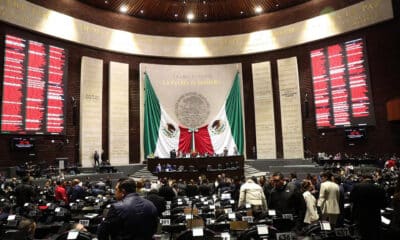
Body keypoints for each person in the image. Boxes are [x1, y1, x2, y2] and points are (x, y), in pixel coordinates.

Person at [350, 173, 386, 240]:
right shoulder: (380, 188)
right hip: (374, 216)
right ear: (372, 179)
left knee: (360, 235)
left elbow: (351, 200)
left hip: (360, 215)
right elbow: (384, 204)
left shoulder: (357, 186)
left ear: (363, 178)